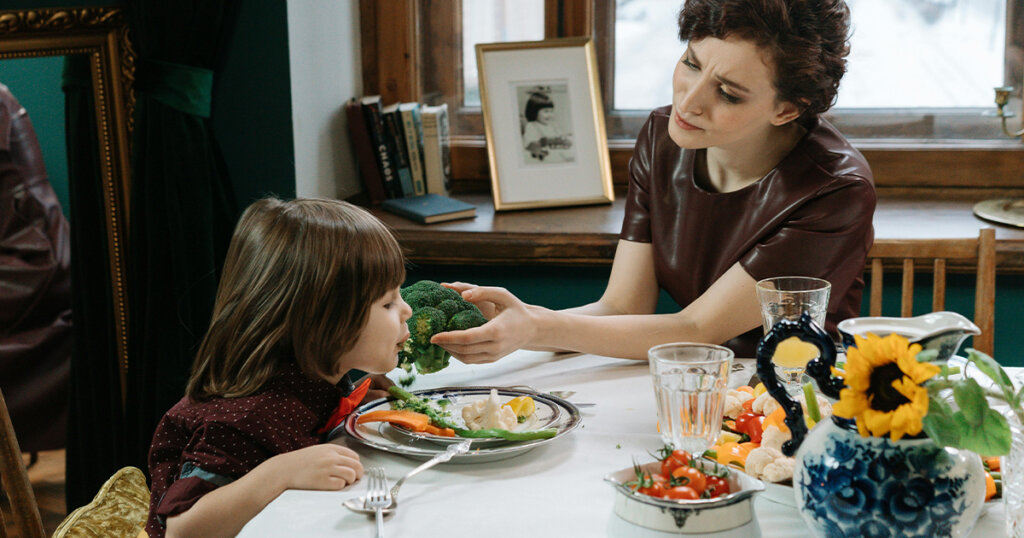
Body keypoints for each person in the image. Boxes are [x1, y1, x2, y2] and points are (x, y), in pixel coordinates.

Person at [433, 0, 875, 362]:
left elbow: (697, 329)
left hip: (792, 401)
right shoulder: (662, 138)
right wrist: (516, 321)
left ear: (787, 109)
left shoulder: (835, 189)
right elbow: (621, 307)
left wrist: (535, 327)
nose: (690, 100)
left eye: (727, 92)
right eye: (690, 63)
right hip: (687, 380)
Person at [145, 198, 412, 538]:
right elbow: (182, 530)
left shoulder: (310, 376)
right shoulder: (246, 419)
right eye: (388, 302)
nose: (405, 311)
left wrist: (358, 401)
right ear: (322, 322)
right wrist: (279, 474)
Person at [521, 87, 573, 163]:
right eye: (546, 111)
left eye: (551, 111)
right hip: (543, 158)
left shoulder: (552, 125)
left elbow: (561, 137)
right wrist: (545, 142)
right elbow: (530, 145)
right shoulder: (532, 126)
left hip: (557, 155)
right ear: (534, 112)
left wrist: (564, 140)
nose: (550, 115)